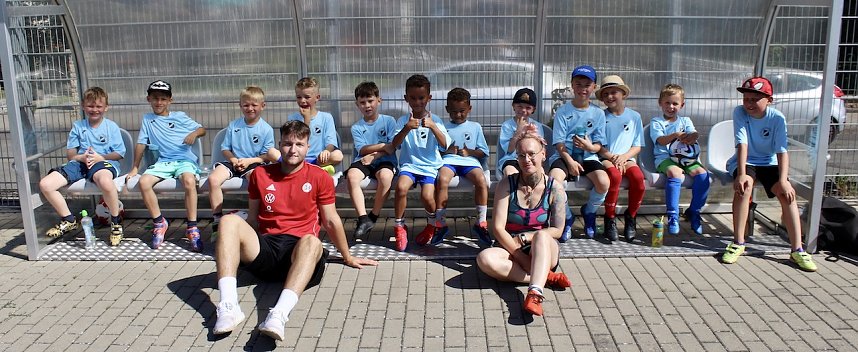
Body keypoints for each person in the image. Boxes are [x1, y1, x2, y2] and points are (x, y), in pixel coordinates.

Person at [211, 121, 378, 341]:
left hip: (300, 256)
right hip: (267, 251)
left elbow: (330, 220)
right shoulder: (260, 175)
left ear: (308, 147)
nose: (293, 149)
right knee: (229, 221)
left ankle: (278, 315)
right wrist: (230, 249)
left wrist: (347, 256)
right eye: (288, 143)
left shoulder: (320, 177)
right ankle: (229, 306)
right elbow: (252, 219)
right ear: (279, 145)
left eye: (299, 144)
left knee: (313, 241)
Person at [722, 77, 817, 271]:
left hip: (769, 163)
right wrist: (741, 174)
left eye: (754, 99)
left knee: (787, 195)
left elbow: (782, 151)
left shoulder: (777, 118)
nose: (748, 103)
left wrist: (783, 180)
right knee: (744, 187)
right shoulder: (739, 112)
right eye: (746, 99)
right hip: (746, 162)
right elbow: (742, 144)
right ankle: (738, 243)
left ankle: (797, 249)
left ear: (769, 100)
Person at [476, 130, 571, 316]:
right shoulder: (507, 184)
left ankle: (535, 294)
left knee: (542, 235)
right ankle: (544, 277)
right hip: (510, 246)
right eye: (521, 155)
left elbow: (558, 230)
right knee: (484, 259)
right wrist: (520, 255)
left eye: (531, 154)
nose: (526, 159)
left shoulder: (555, 188)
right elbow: (497, 227)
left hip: (542, 248)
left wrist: (527, 236)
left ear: (543, 154)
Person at [125, 80, 206, 251]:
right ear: (148, 99)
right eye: (155, 98)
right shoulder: (147, 119)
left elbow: (202, 130)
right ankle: (159, 222)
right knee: (144, 182)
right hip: (163, 162)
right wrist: (134, 168)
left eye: (163, 99)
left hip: (184, 161)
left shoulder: (180, 116)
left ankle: (192, 227)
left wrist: (193, 133)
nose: (159, 102)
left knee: (189, 182)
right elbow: (141, 143)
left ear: (170, 100)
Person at [39, 87, 126, 245]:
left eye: (99, 106)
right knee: (45, 184)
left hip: (104, 162)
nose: (94, 110)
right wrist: (83, 157)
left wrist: (100, 157)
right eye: (90, 106)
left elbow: (119, 154)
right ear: (83, 106)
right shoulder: (78, 126)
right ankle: (69, 219)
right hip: (81, 163)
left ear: (106, 107)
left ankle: (116, 222)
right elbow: (71, 155)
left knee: (105, 182)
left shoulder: (111, 127)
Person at [383, 74, 450, 251]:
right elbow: (393, 146)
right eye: (413, 98)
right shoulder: (403, 121)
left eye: (421, 98)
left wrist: (434, 127)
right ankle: (399, 227)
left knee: (427, 196)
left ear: (429, 98)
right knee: (401, 187)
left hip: (429, 167)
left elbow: (445, 146)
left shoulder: (435, 120)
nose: (417, 102)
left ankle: (432, 224)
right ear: (406, 99)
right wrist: (406, 128)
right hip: (409, 165)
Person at [550, 65, 610, 239]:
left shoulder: (598, 114)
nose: (582, 89)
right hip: (565, 155)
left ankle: (589, 211)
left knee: (604, 182)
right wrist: (569, 162)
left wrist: (590, 148)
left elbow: (599, 144)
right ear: (572, 85)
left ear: (594, 87)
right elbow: (559, 143)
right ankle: (567, 217)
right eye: (578, 84)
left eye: (587, 85)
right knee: (554, 182)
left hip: (588, 156)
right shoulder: (562, 112)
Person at [208, 86, 277, 236]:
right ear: (240, 106)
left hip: (254, 163)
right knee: (213, 179)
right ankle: (217, 220)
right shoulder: (234, 125)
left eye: (254, 105)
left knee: (256, 179)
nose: (250, 108)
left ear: (262, 106)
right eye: (246, 105)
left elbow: (268, 155)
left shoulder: (266, 129)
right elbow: (225, 148)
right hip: (234, 162)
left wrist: (249, 161)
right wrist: (233, 160)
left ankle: (254, 219)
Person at [432, 88, 491, 245]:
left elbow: (483, 152)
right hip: (449, 161)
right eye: (453, 111)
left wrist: (469, 151)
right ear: (447, 110)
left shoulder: (475, 127)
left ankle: (481, 222)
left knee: (481, 180)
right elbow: (436, 151)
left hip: (470, 162)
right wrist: (446, 151)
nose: (458, 115)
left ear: (469, 109)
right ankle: (440, 224)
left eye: (462, 111)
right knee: (442, 179)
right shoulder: (442, 127)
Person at [650, 83, 710, 235]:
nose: (671, 106)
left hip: (686, 158)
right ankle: (673, 216)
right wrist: (676, 135)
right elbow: (661, 141)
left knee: (703, 174)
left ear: (682, 105)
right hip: (665, 158)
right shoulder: (656, 122)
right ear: (660, 103)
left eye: (675, 103)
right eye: (667, 103)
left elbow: (694, 134)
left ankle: (694, 212)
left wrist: (692, 136)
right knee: (675, 173)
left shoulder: (686, 121)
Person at [596, 75, 646, 242]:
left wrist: (624, 157)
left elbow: (637, 145)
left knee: (638, 179)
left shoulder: (634, 117)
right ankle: (609, 217)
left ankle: (631, 216)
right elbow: (598, 146)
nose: (610, 97)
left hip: (627, 158)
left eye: (614, 92)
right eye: (606, 94)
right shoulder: (600, 117)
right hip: (606, 157)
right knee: (615, 176)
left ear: (623, 94)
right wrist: (613, 158)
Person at [347, 81, 397, 239]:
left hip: (384, 161)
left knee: (386, 176)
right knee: (352, 176)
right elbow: (362, 149)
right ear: (357, 104)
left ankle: (373, 216)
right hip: (363, 160)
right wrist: (382, 145)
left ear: (378, 100)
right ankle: (363, 218)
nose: (367, 105)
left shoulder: (388, 121)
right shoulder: (356, 127)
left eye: (370, 101)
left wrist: (375, 154)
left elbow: (392, 147)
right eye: (362, 102)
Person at [286, 77, 343, 176]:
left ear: (317, 97)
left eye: (307, 97)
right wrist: (306, 120)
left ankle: (314, 167)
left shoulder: (326, 117)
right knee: (273, 153)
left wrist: (326, 151)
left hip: (318, 159)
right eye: (299, 97)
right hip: (297, 157)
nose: (302, 101)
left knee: (338, 155)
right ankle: (315, 169)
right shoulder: (292, 118)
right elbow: (296, 141)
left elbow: (331, 142)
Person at [496, 88, 549, 179]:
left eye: (528, 107)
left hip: (532, 160)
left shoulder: (537, 126)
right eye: (520, 106)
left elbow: (540, 148)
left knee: (541, 175)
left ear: (533, 109)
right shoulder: (507, 126)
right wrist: (518, 131)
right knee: (510, 174)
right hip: (512, 159)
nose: (523, 110)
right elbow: (509, 149)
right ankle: (513, 192)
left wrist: (532, 134)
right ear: (513, 106)